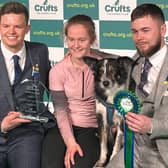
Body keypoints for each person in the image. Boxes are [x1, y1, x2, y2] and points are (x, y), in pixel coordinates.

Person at [106, 3, 168, 168]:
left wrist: (152, 125)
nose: (139, 37)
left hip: (164, 153)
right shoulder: (134, 63)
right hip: (134, 148)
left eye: (145, 30)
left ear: (163, 30)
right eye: (135, 31)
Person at [0, 2, 55, 168]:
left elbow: (53, 86)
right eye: (6, 26)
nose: (11, 31)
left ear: (27, 28)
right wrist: (2, 125)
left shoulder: (40, 51)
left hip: (27, 134)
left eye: (18, 26)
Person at [42, 14, 101, 168]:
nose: (76, 45)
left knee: (80, 164)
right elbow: (61, 111)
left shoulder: (105, 64)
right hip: (64, 125)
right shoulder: (57, 71)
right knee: (51, 163)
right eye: (71, 39)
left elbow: (128, 63)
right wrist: (70, 142)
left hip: (91, 128)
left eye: (82, 40)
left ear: (92, 39)